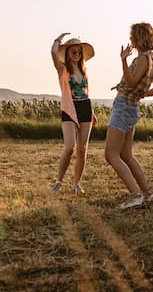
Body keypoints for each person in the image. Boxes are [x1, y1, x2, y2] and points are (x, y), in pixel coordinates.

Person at [105, 22, 153, 210]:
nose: (130, 40)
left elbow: (131, 82)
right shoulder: (152, 60)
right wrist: (137, 92)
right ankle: (147, 193)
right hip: (132, 107)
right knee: (126, 154)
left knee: (111, 155)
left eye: (132, 37)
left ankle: (135, 195)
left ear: (139, 38)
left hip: (123, 108)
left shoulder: (142, 59)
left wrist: (123, 60)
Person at [50, 33, 97, 195]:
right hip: (69, 109)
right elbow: (53, 53)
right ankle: (58, 182)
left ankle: (77, 184)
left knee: (82, 149)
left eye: (79, 52)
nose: (77, 55)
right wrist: (58, 40)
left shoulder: (84, 70)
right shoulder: (62, 69)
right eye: (73, 52)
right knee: (70, 147)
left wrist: (92, 112)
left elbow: (86, 92)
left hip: (85, 108)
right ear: (68, 53)